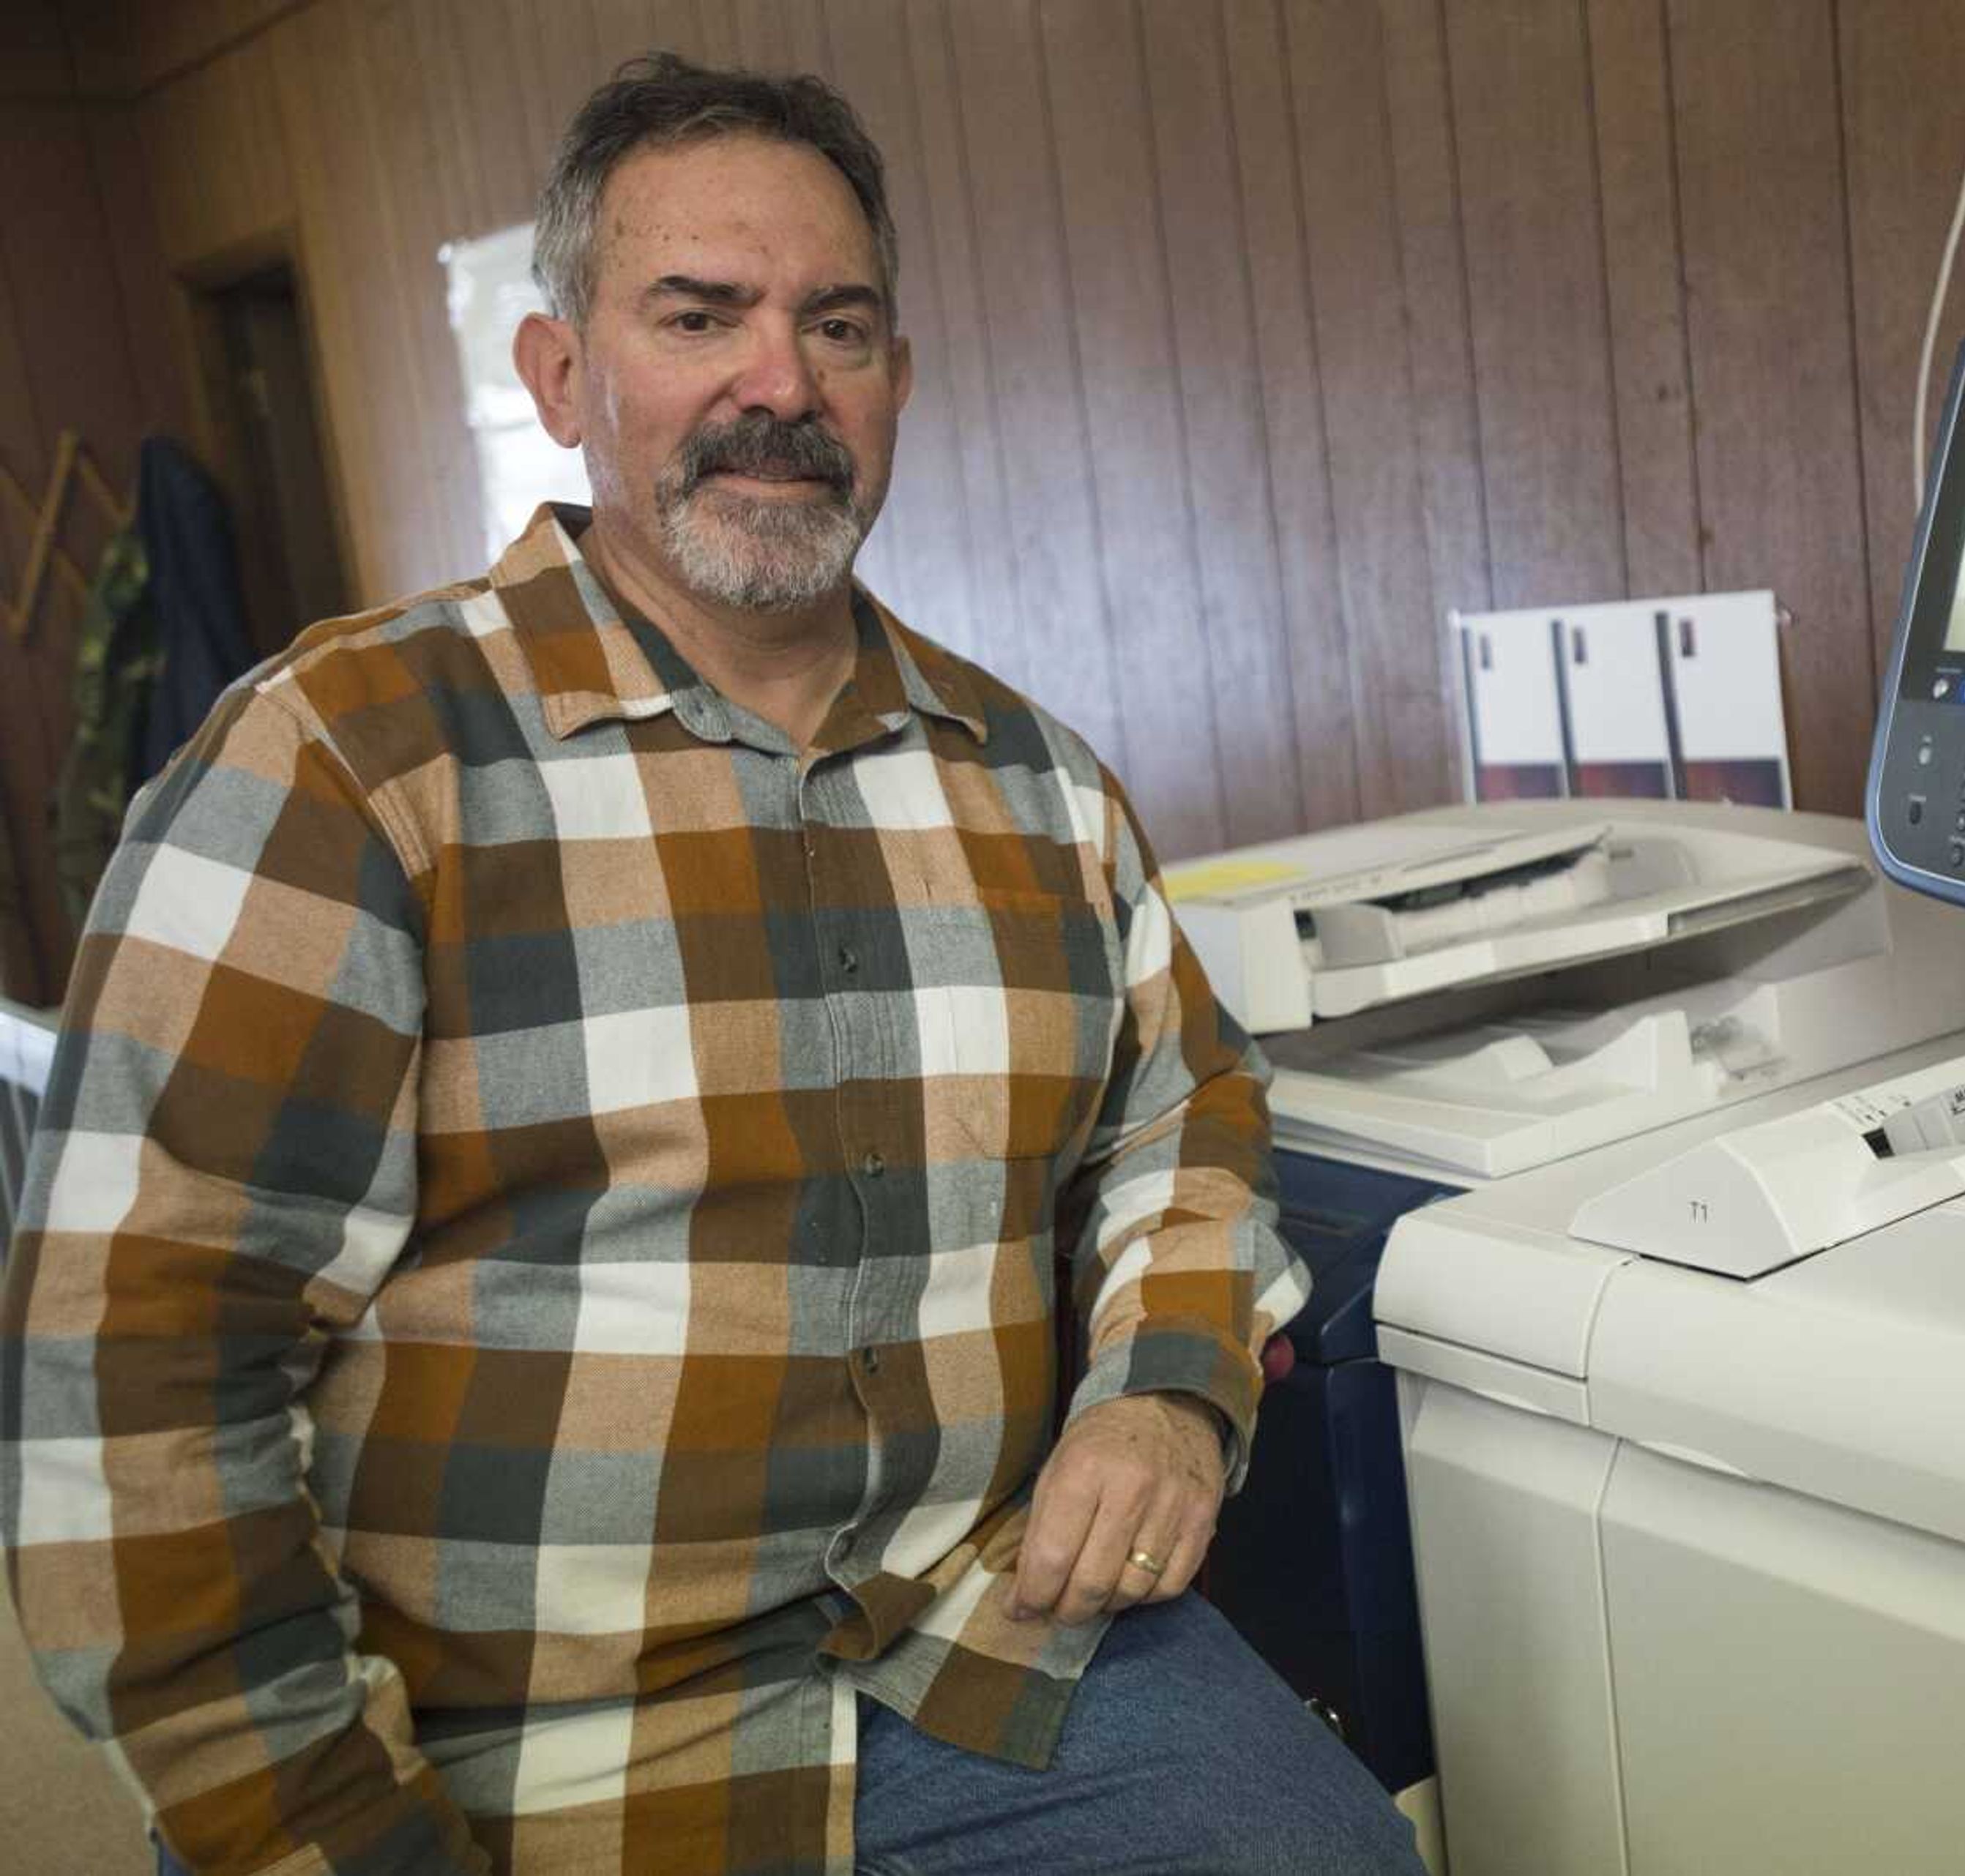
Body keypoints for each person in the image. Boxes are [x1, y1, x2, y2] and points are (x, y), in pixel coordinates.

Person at [1, 53, 1423, 1876]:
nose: (782, 384)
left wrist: (1166, 1384)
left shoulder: (1036, 784)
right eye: (701, 315)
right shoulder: (341, 767)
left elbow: (1190, 1109)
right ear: (562, 376)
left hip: (970, 1646)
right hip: (519, 1734)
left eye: (839, 325)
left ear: (897, 379)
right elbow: (139, 1395)